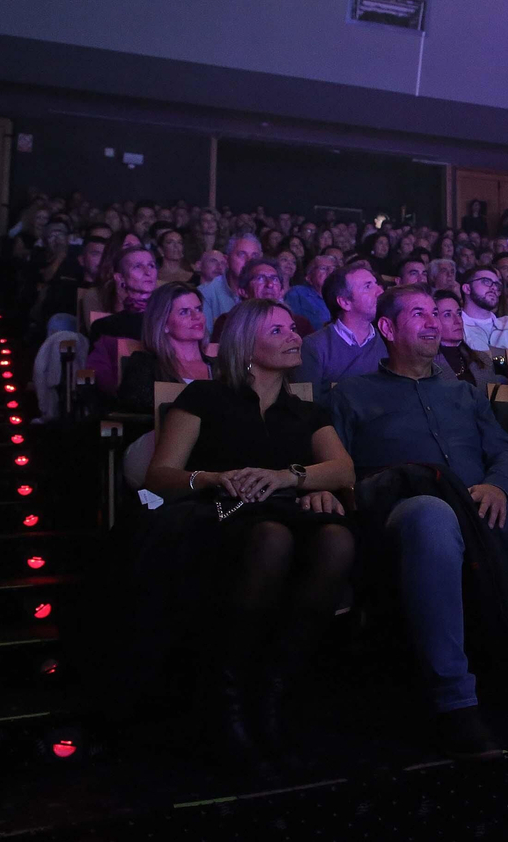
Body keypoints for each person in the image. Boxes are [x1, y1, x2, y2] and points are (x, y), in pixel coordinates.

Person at [330, 285, 508, 760]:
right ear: (386, 328)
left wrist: (497, 486)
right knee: (432, 512)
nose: (431, 321)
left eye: (433, 314)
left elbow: (504, 453)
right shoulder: (353, 395)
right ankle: (454, 701)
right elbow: (341, 471)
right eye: (417, 314)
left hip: (485, 507)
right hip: (411, 513)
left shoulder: (463, 392)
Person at [142, 299, 356, 775]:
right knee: (272, 536)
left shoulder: (307, 411)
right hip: (220, 508)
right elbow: (160, 475)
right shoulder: (203, 396)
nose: (293, 335)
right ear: (245, 345)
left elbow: (343, 469)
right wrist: (216, 478)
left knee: (337, 540)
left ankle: (274, 693)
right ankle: (229, 699)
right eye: (276, 330)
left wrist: (292, 478)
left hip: (281, 505)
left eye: (292, 328)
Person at [295, 264, 388, 402]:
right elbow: (305, 408)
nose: (380, 291)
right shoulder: (314, 347)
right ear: (345, 302)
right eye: (368, 286)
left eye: (376, 284)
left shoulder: (388, 341)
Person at [117, 282, 213, 414]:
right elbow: (133, 409)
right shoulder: (145, 364)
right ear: (163, 324)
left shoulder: (219, 367)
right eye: (184, 312)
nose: (196, 316)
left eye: (198, 309)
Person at [85, 246, 160, 393]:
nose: (147, 272)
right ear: (120, 278)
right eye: (138, 266)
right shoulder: (105, 326)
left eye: (151, 265)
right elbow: (100, 375)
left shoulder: (172, 318)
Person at [212, 261, 315, 342]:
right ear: (243, 291)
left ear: (281, 291)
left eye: (274, 279)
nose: (269, 284)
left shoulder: (300, 324)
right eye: (260, 278)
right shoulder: (228, 322)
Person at [459, 265, 508, 351]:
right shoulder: (456, 326)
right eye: (486, 281)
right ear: (467, 288)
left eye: (497, 285)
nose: (494, 287)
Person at [199, 234, 262, 337]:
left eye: (254, 256)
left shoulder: (268, 290)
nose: (249, 261)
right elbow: (205, 342)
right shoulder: (206, 293)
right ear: (226, 260)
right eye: (242, 254)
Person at [435, 290, 501, 386]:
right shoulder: (426, 364)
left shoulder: (482, 360)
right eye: (447, 315)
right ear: (434, 321)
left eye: (459, 314)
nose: (458, 320)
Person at [284, 253, 337, 330]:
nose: (330, 272)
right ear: (309, 277)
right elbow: (294, 324)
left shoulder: (342, 296)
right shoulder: (297, 293)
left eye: (333, 269)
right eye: (323, 268)